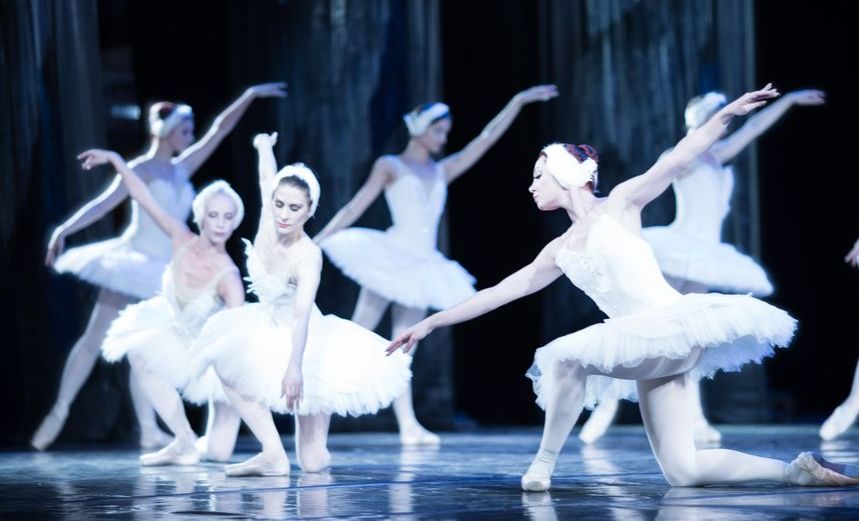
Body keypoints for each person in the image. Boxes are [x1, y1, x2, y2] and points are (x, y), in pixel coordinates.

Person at [388, 85, 859, 491]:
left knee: (565, 357)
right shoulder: (558, 250)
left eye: (538, 177)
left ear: (565, 175)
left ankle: (543, 464)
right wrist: (430, 323)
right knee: (683, 471)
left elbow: (679, 156)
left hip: (670, 328)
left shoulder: (620, 205)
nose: (531, 187)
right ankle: (794, 471)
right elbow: (497, 292)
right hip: (649, 345)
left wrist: (727, 114)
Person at [33, 83, 286, 450]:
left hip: (165, 268)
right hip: (132, 262)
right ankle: (60, 409)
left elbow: (219, 130)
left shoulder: (182, 167)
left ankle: (148, 428)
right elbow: (103, 204)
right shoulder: (143, 169)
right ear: (166, 131)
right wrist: (64, 229)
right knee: (95, 336)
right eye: (184, 129)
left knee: (146, 345)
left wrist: (248, 96)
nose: (190, 135)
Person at [580, 88, 826, 445]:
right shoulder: (684, 156)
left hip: (706, 256)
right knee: (650, 325)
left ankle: (692, 418)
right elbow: (646, 187)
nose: (720, 121)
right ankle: (610, 398)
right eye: (712, 114)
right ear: (694, 121)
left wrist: (789, 101)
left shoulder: (717, 156)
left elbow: (753, 129)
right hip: (681, 249)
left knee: (688, 337)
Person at [315, 85, 558, 444]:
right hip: (391, 256)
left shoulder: (441, 170)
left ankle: (407, 424)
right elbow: (355, 206)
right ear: (419, 129)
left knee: (405, 343)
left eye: (446, 132)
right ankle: (321, 406)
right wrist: (317, 241)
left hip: (422, 265)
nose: (444, 138)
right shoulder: (390, 165)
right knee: (359, 329)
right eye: (439, 130)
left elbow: (484, 140)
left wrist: (517, 102)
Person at [190, 132, 412, 476]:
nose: (283, 214)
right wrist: (263, 146)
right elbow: (267, 175)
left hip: (304, 337)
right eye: (279, 204)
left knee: (312, 460)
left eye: (294, 208)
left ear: (310, 211)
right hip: (263, 324)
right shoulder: (268, 217)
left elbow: (302, 314)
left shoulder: (308, 256)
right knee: (223, 356)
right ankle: (272, 454)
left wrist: (294, 367)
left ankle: (316, 431)